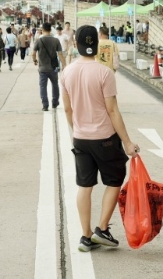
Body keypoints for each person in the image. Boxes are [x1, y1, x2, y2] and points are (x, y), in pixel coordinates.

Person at [60, 25, 139, 252]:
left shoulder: (66, 73)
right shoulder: (104, 73)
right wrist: (127, 142)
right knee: (114, 180)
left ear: (75, 44)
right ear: (97, 44)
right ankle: (102, 229)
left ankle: (85, 236)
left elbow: (67, 109)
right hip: (105, 138)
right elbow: (112, 110)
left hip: (80, 138)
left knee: (85, 186)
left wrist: (78, 130)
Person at [32, 23, 65, 111]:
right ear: (50, 30)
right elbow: (60, 54)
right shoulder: (56, 40)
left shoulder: (39, 41)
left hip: (42, 69)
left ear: (42, 30)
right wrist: (64, 65)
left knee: (43, 86)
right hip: (53, 68)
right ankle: (55, 102)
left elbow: (33, 53)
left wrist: (35, 60)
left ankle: (45, 105)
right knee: (55, 85)